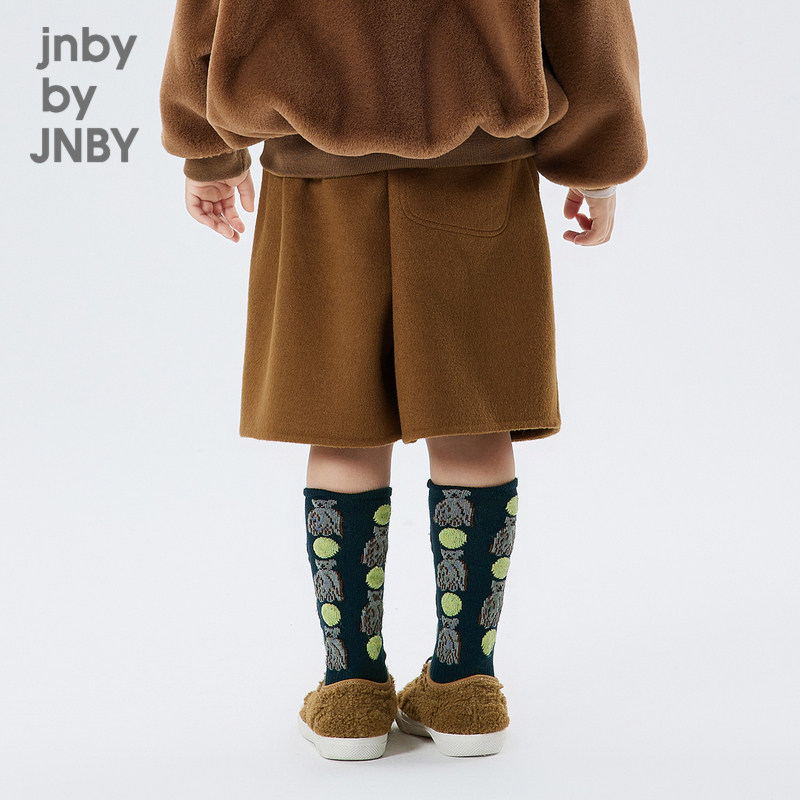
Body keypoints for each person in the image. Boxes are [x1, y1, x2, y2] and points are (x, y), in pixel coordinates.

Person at [159, 0, 647, 761]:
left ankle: (350, 690)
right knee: (475, 421)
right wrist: (599, 164)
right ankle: (466, 685)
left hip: (315, 175)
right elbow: (587, 18)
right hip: (480, 171)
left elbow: (206, 13)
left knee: (341, 427)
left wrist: (207, 152)